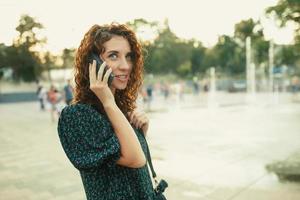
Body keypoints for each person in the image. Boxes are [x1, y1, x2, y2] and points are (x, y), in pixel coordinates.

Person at [57, 23, 155, 200]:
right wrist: (108, 101)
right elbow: (135, 160)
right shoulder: (77, 116)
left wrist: (142, 131)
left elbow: (134, 167)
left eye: (129, 56)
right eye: (113, 56)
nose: (125, 66)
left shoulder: (120, 109)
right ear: (93, 63)